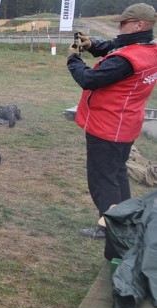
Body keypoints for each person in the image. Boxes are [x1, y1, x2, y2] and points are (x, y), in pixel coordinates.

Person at [67, 2, 157, 261]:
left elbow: (90, 79)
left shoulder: (127, 59)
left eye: (124, 23)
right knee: (118, 178)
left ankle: (115, 243)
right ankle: (123, 225)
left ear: (139, 24)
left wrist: (74, 59)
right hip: (124, 126)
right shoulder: (147, 49)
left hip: (107, 128)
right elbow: (116, 47)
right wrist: (92, 44)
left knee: (103, 185)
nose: (119, 27)